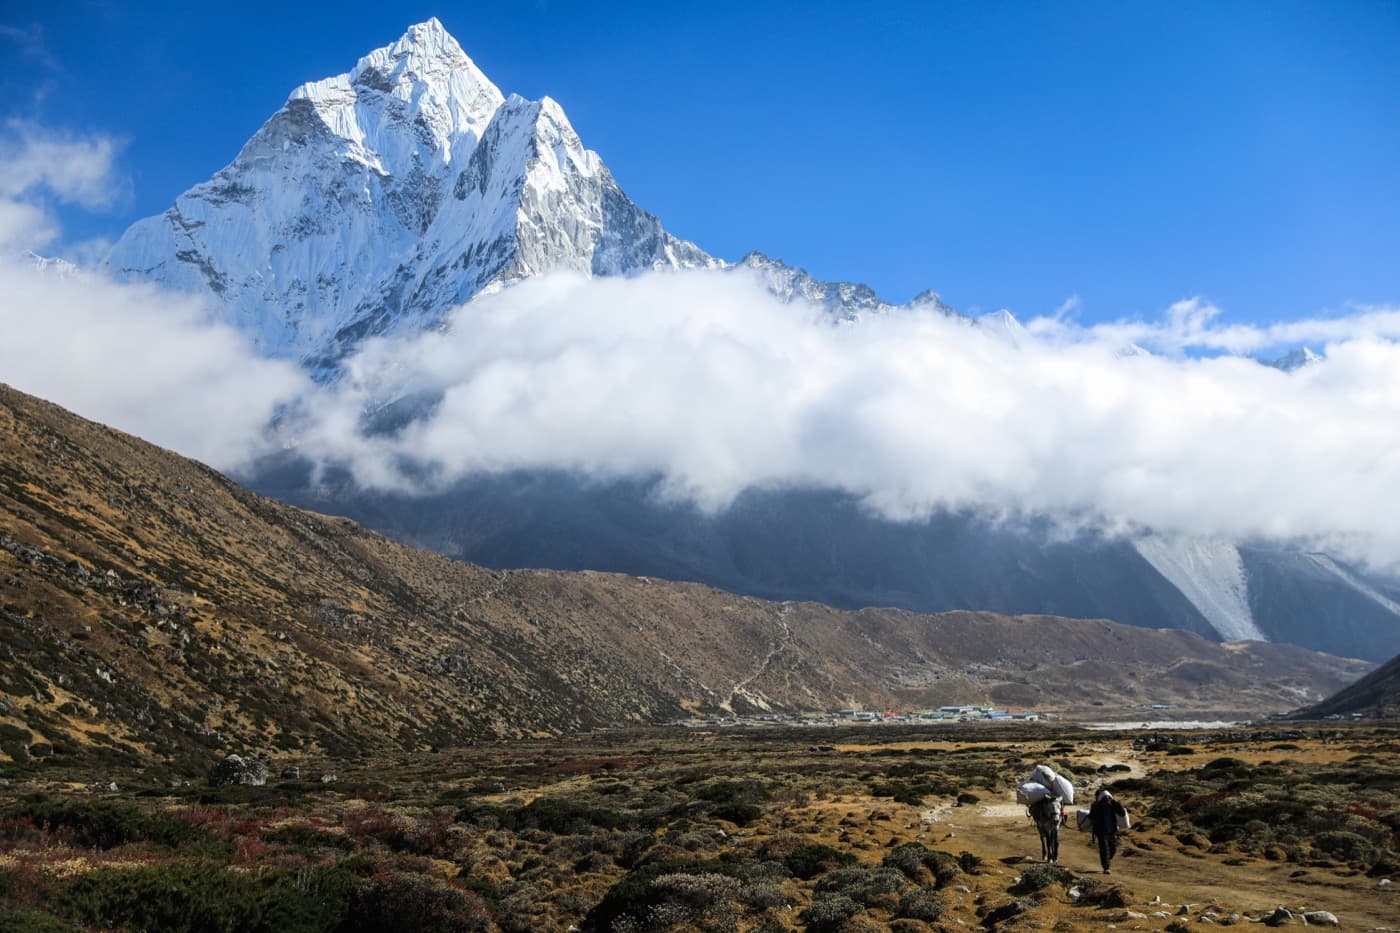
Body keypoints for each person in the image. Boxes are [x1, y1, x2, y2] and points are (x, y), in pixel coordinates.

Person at [1088, 788, 1127, 873]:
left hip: (1112, 831)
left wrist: (1116, 803)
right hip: (1101, 831)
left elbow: (1122, 813)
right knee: (1104, 849)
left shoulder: (1112, 804)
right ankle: (1106, 867)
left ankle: (1106, 861)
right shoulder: (1096, 805)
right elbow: (1091, 816)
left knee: (1113, 849)